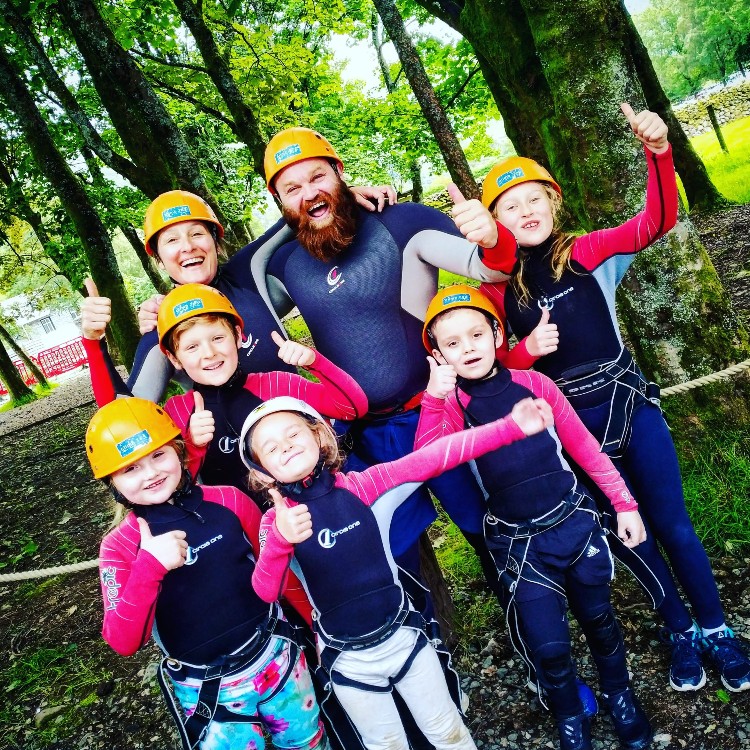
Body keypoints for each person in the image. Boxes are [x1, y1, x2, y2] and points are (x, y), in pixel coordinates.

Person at [478, 102, 750, 693]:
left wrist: (658, 151)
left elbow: (654, 222)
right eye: (508, 205)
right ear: (496, 220)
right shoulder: (495, 290)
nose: (524, 211)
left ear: (554, 201)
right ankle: (677, 628)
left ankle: (717, 628)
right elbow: (489, 360)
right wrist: (525, 353)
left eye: (533, 198)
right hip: (572, 430)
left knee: (673, 523)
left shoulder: (587, 251)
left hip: (628, 403)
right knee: (630, 532)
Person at [246, 126, 519, 594]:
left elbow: (492, 266)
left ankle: (534, 633)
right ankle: (430, 655)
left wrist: (492, 234)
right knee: (395, 551)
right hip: (366, 438)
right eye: (292, 188)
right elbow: (234, 281)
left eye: (319, 177)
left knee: (488, 529)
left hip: (441, 411)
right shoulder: (284, 265)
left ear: (341, 172)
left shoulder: (401, 223)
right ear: (278, 202)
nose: (310, 193)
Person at [240, 395, 552, 750]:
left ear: (320, 436)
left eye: (293, 434)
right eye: (271, 447)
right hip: (347, 662)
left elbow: (433, 456)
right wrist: (281, 539)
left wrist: (510, 428)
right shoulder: (275, 522)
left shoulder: (365, 485)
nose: (286, 447)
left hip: (405, 640)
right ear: (263, 472)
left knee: (448, 732)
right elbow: (265, 592)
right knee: (386, 745)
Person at [418, 285, 652, 750]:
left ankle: (619, 693)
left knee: (599, 619)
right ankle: (569, 715)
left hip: (573, 523)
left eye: (476, 334)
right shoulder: (451, 408)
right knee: (549, 646)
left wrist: (624, 503)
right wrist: (433, 398)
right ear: (439, 354)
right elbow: (428, 459)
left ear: (496, 334)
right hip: (520, 546)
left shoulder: (535, 385)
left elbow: (584, 448)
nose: (467, 348)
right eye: (453, 343)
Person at [88, 397, 327, 750]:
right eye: (130, 469)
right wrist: (149, 567)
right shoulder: (120, 547)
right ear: (112, 483)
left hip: (275, 657)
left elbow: (277, 571)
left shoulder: (229, 500)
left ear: (179, 451)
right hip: (207, 691)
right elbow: (123, 641)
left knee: (308, 742)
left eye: (159, 455)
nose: (151, 473)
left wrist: (314, 627)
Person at [81, 183, 396, 403]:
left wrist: (340, 199)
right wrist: (94, 343)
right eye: (172, 241)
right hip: (239, 477)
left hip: (307, 441)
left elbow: (287, 224)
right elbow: (126, 414)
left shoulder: (248, 273)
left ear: (216, 243)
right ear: (159, 260)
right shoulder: (162, 327)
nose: (188, 246)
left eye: (196, 234)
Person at [84, 281, 367, 494]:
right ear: (174, 358)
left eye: (218, 338)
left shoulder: (276, 384)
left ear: (238, 336)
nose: (209, 353)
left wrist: (315, 362)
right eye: (192, 346)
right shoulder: (175, 414)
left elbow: (352, 408)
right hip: (248, 539)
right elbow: (117, 418)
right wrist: (93, 343)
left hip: (311, 512)